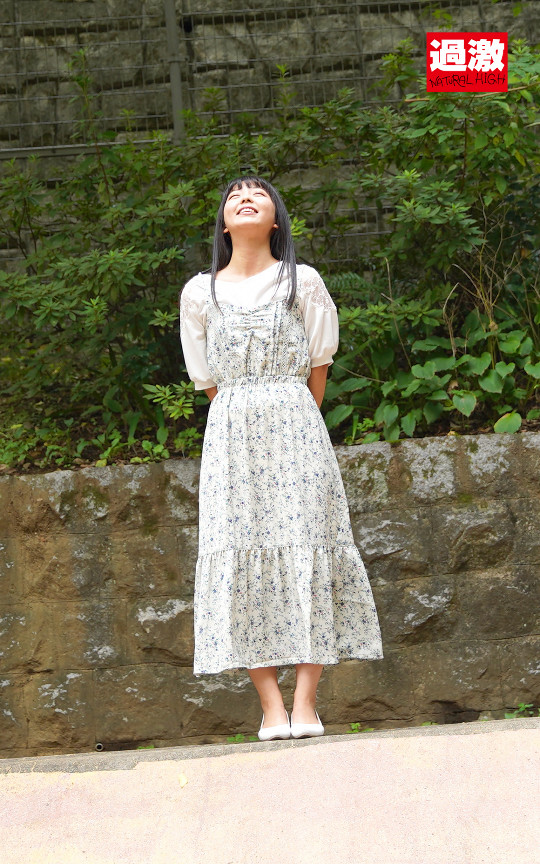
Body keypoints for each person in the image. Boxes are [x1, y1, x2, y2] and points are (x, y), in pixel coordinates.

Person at [179, 176, 383, 742]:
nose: (245, 199)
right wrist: (244, 410)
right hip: (231, 435)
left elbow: (319, 366)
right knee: (238, 549)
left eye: (258, 194)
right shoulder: (199, 293)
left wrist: (288, 412)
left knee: (310, 540)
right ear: (224, 225)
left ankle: (306, 702)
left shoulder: (303, 281)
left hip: (297, 423)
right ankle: (270, 707)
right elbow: (206, 378)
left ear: (276, 220)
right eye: (234, 196)